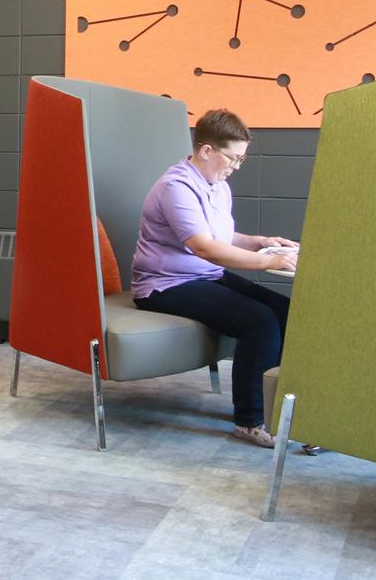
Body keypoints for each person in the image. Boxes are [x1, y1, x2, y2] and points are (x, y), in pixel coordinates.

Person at [130, 108, 304, 449]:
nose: (236, 167)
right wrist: (267, 261)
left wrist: (262, 242)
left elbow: (222, 235)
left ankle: (273, 404)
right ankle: (249, 420)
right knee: (260, 321)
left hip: (204, 276)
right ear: (207, 150)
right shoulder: (175, 187)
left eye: (241, 160)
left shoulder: (216, 184)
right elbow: (204, 247)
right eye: (233, 158)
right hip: (164, 285)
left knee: (285, 311)